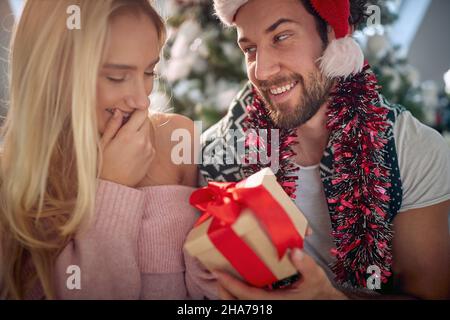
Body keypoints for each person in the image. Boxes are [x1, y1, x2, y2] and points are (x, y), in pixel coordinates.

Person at [200, 0, 450, 299]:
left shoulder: (413, 149)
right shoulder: (221, 150)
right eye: (250, 49)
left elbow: (428, 293)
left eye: (281, 37)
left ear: (333, 35)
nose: (262, 71)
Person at [0, 0, 216, 300]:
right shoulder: (15, 187)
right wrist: (111, 189)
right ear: (53, 73)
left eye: (150, 72)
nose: (142, 100)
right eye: (117, 76)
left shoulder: (177, 138)